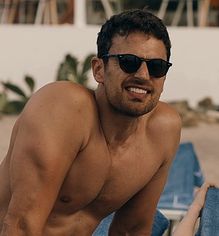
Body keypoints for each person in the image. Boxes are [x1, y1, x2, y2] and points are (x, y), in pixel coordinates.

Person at [0, 9, 181, 235]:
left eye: (156, 67)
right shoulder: (65, 108)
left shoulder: (163, 130)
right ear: (99, 70)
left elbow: (132, 230)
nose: (144, 75)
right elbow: (20, 225)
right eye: (129, 62)